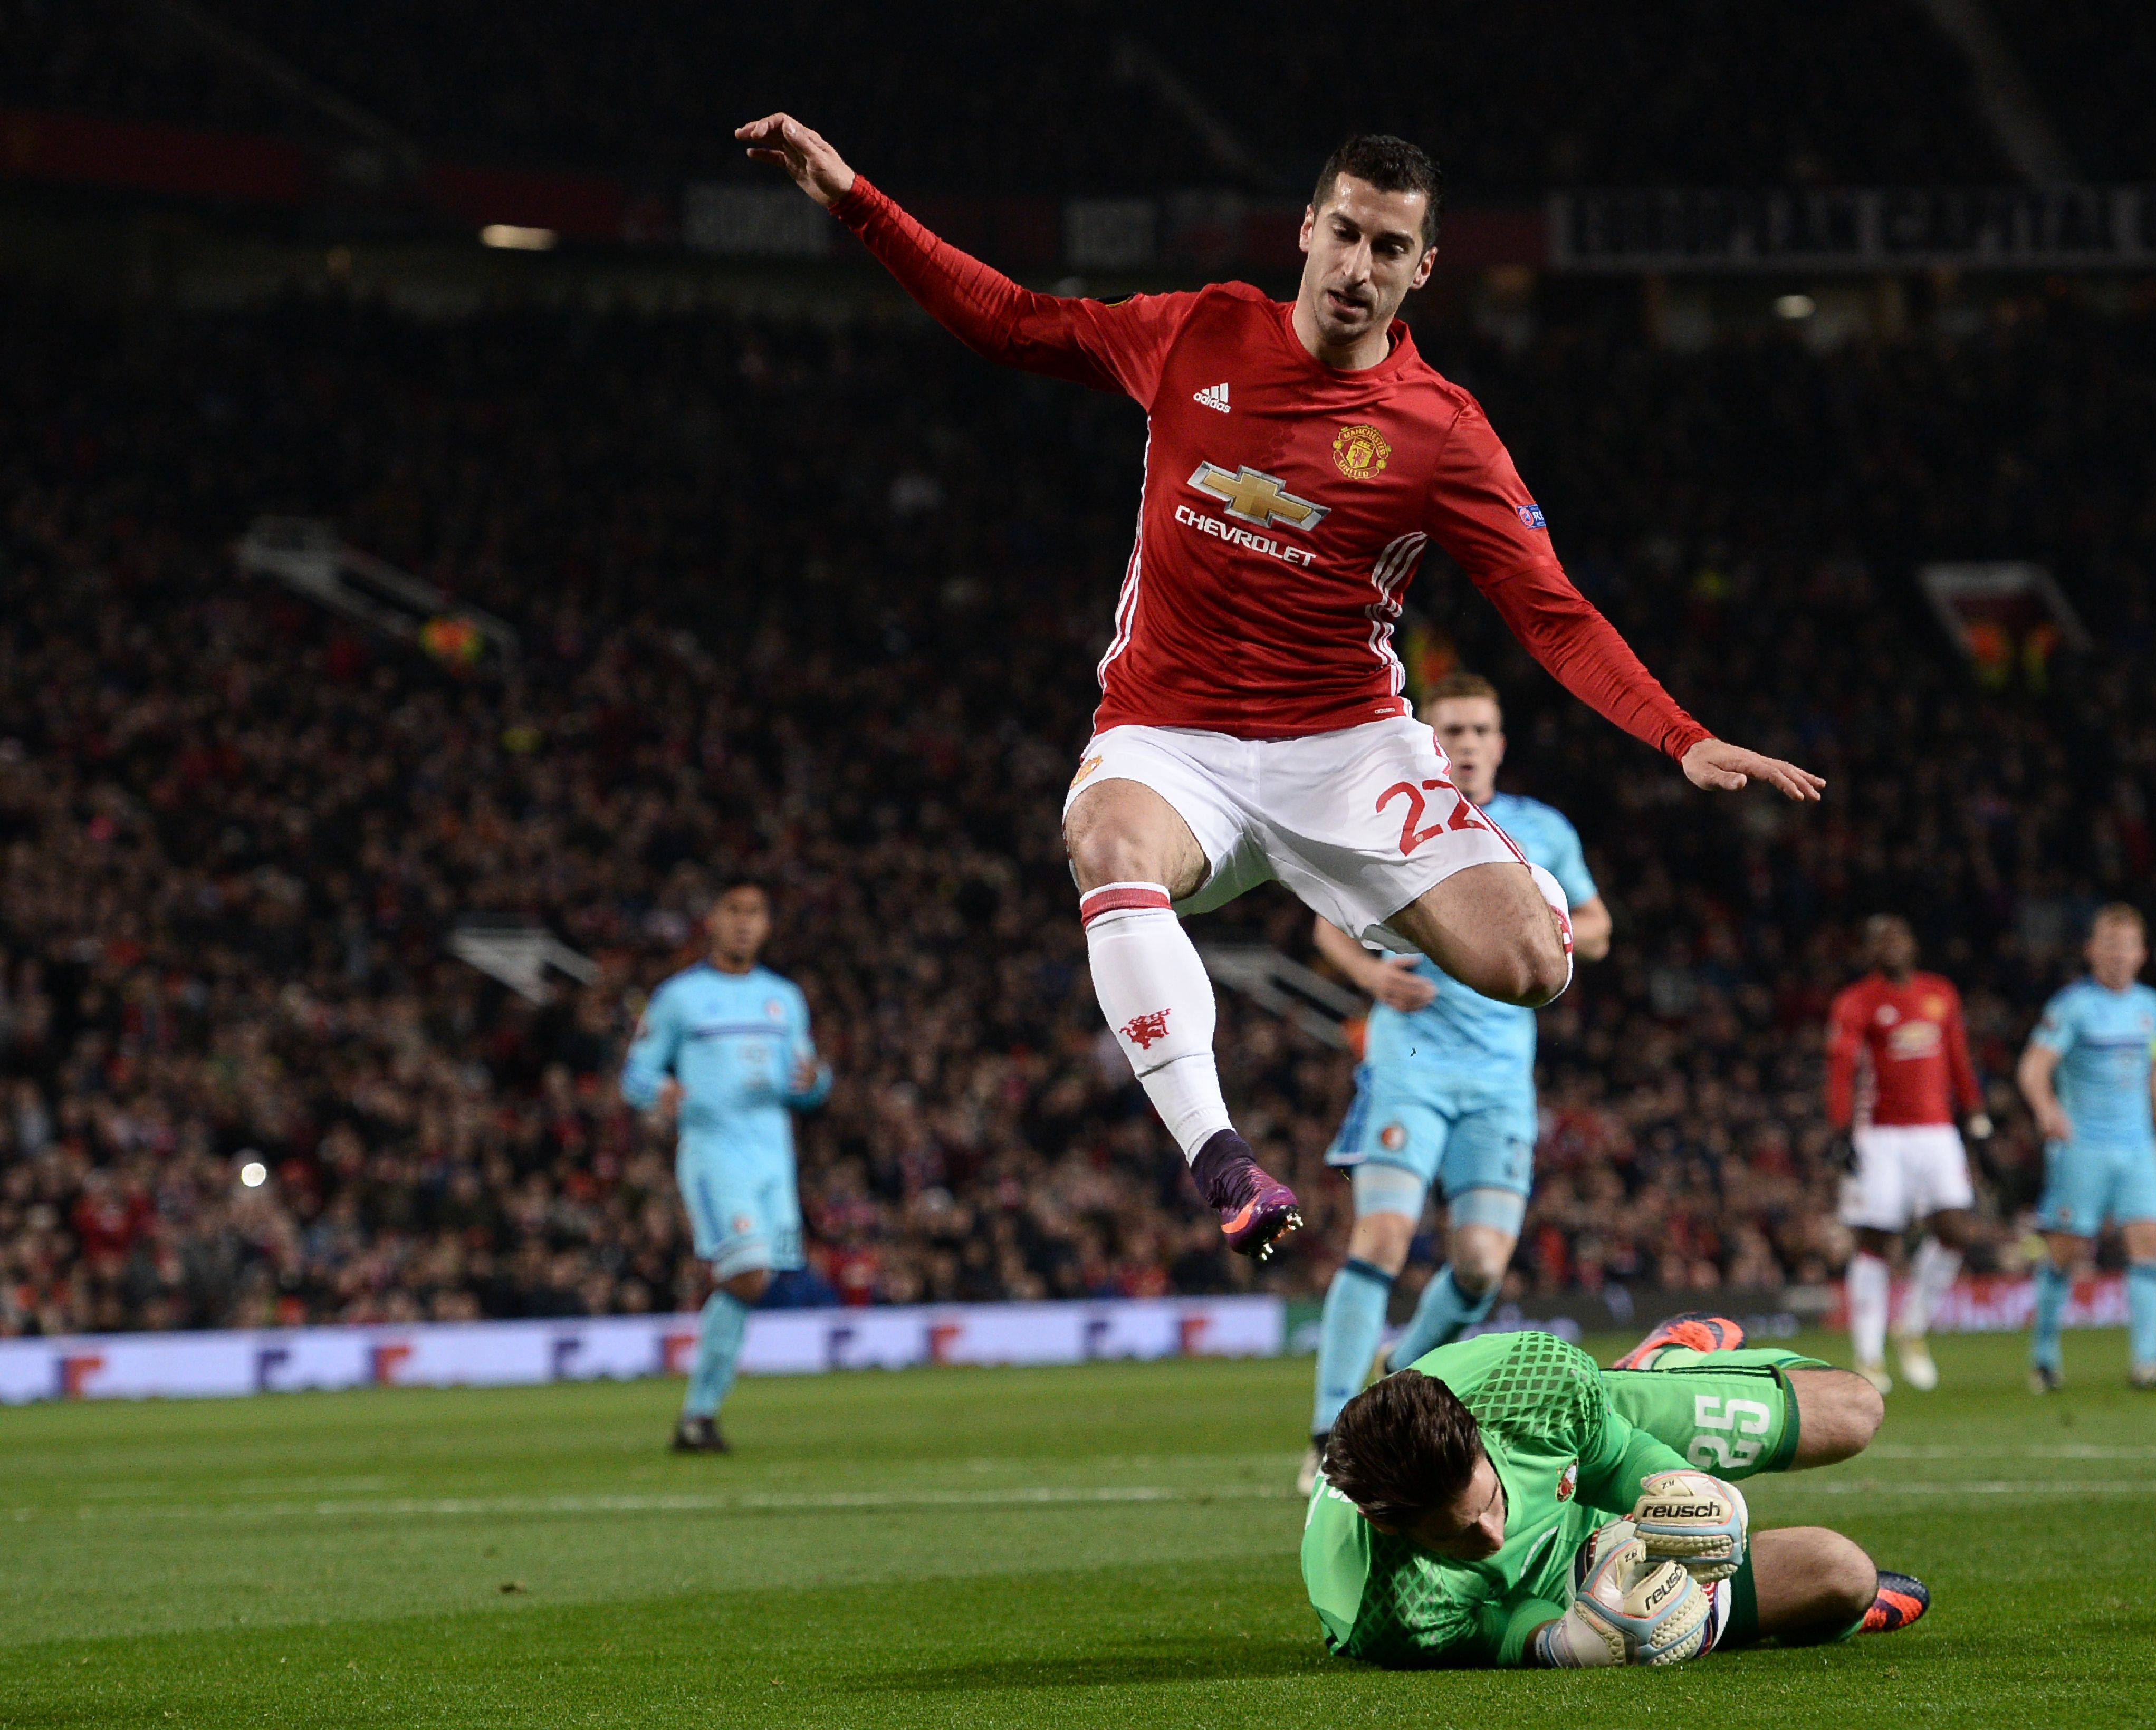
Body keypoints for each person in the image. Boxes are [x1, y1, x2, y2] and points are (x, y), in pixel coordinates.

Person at [735, 114, 1822, 1264]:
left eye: (1389, 248)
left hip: (1345, 745)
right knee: (1105, 842)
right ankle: (1220, 1157)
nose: (1358, 267)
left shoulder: (1441, 434)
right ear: (1306, 230)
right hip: (1170, 735)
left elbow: (1549, 611)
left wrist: (1680, 736)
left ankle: (1491, 880)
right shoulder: (1198, 330)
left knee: (1533, 971)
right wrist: (853, 195)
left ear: (1423, 269)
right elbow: (1009, 319)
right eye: (1344, 233)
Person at [1302, 672, 1610, 1488]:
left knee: (1478, 1265)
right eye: (1453, 730)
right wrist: (1372, 982)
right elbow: (1325, 927)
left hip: (1502, 1077)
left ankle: (1393, 1394)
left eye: (1481, 730)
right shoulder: (1391, 819)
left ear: (1500, 743)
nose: (1467, 744)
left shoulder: (1542, 832)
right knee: (1383, 1239)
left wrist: (1547, 936)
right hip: (1408, 1066)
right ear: (1427, 741)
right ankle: (1331, 1436)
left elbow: (1598, 927)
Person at [1302, 1318, 1928, 1668]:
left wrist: (1676, 1485)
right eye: (1457, 1534)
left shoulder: (1532, 1379)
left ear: (1475, 1434)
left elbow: (1615, 1454)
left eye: (1489, 1505)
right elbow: (1496, 1630)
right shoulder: (1383, 1611)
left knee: (1854, 1411)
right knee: (1845, 1577)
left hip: (1586, 1432)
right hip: (1551, 1583)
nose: (1491, 1535)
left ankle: (1658, 1362)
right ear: (1385, 1525)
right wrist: (1570, 1640)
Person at [619, 881, 833, 1451]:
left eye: (755, 913)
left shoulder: (784, 998)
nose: (744, 922)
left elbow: (810, 1081)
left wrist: (817, 1082)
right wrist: (658, 1090)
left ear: (766, 925)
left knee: (752, 1282)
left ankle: (698, 1421)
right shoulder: (678, 997)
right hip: (714, 1152)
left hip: (773, 1158)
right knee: (744, 1273)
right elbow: (634, 1074)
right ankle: (698, 1413)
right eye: (733, 911)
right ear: (711, 920)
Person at [2014, 904, 2156, 1392]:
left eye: (2126, 946)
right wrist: (2048, 1109)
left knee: (2151, 1244)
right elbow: (2032, 1068)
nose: (2117, 956)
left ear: (2141, 954)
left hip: (2138, 1148)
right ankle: (2044, 1359)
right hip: (2083, 1147)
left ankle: (2147, 1364)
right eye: (2107, 946)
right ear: (2091, 951)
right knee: (2066, 1251)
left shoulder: (2152, 1007)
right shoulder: (2072, 1006)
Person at [1824, 915, 1989, 1393]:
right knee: (1876, 1239)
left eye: (1898, 936)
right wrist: (1840, 1130)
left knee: (1955, 1230)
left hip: (1936, 1131)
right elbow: (1840, 1065)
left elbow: (1957, 1055)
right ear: (1870, 952)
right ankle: (1869, 1354)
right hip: (1881, 1134)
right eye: (1880, 941)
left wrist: (1975, 1110)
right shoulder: (1857, 1001)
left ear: (1913, 944)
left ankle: (1912, 1326)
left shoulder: (1940, 993)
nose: (1891, 946)